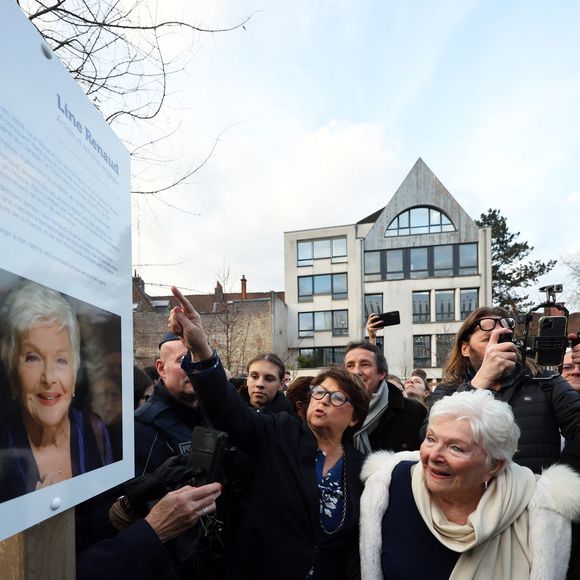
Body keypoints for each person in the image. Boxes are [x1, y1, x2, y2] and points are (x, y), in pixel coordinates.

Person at [168, 286, 370, 580]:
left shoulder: (361, 468)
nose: (324, 400)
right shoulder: (281, 432)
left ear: (354, 419)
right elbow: (229, 412)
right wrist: (202, 350)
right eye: (319, 392)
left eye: (337, 398)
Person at [360, 389, 580, 580]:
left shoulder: (541, 506)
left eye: (456, 448)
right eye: (431, 439)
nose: (434, 455)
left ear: (494, 464)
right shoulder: (390, 485)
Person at [429, 306, 580, 474]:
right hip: (471, 497)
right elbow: (430, 438)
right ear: (465, 349)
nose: (499, 346)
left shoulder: (545, 381)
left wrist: (559, 480)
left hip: (535, 496)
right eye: (488, 339)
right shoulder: (448, 391)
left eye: (504, 338)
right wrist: (479, 382)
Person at [0, 282, 112, 502]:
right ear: (13, 374)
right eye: (33, 357)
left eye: (61, 360)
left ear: (75, 369)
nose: (49, 377)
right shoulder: (4, 444)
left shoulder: (95, 430)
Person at [134, 331, 208, 476]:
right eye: (182, 360)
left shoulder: (213, 413)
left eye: (199, 359)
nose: (193, 367)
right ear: (161, 368)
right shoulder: (143, 426)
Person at [344, 341, 426, 454]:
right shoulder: (335, 410)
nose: (356, 371)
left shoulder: (413, 411)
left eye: (365, 364)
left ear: (381, 373)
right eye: (350, 366)